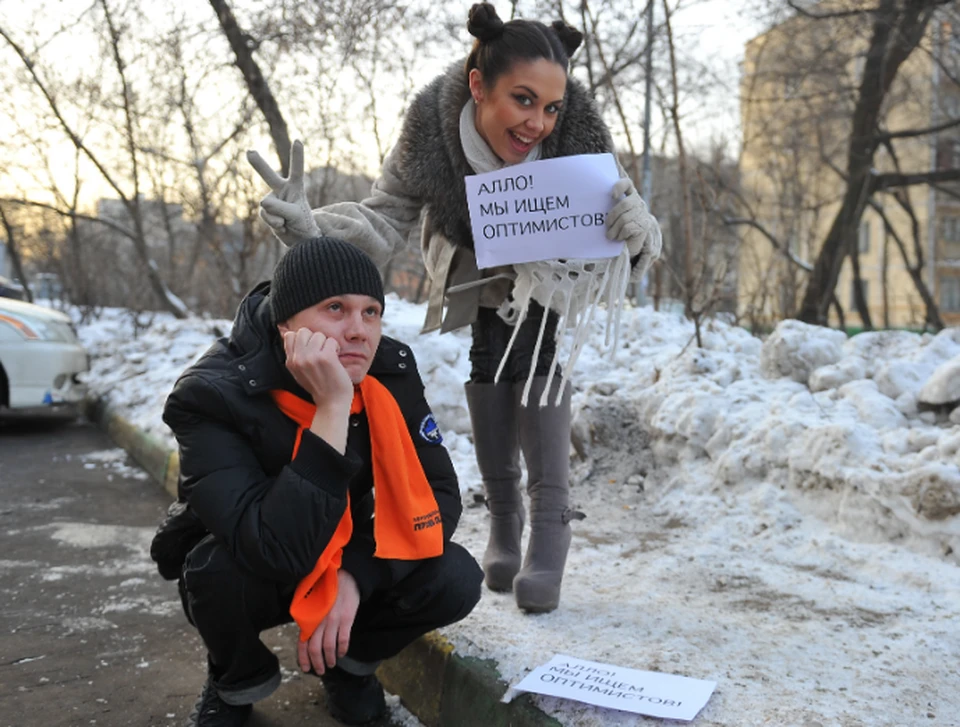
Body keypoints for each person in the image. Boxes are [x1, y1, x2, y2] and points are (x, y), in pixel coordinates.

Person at [247, 3, 661, 614]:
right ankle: (504, 518)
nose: (539, 122)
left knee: (538, 358)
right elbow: (384, 216)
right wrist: (313, 228)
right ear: (477, 85)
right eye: (522, 100)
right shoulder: (432, 127)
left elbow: (621, 218)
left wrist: (637, 229)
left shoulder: (578, 132)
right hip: (472, 263)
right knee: (488, 360)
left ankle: (550, 528)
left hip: (550, 270)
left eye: (551, 106)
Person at [152, 236, 482, 727]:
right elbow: (271, 547)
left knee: (453, 577)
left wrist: (355, 574)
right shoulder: (210, 394)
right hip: (256, 562)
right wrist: (331, 408)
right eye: (335, 308)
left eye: (371, 312)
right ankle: (236, 681)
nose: (359, 332)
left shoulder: (388, 370)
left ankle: (348, 669)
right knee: (211, 574)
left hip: (340, 544)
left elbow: (439, 497)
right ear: (286, 323)